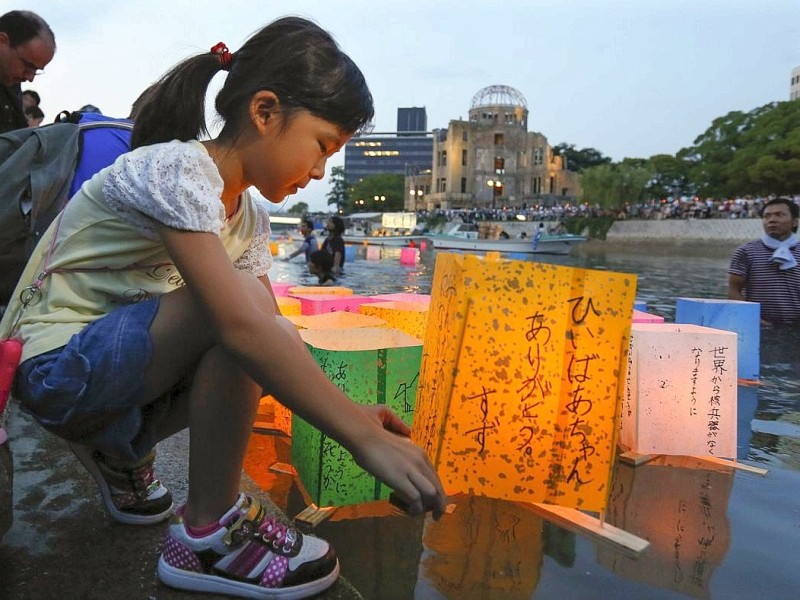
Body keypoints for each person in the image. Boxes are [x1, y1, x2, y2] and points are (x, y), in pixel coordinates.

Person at [0, 16, 445, 599]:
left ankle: (120, 451)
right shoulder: (175, 170)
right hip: (55, 367)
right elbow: (240, 324)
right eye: (321, 146)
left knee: (257, 332)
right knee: (236, 319)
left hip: (114, 369)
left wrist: (355, 412)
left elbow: (271, 332)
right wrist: (363, 443)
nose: (319, 172)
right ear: (264, 112)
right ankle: (207, 534)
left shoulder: (249, 216)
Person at [729, 197, 800, 325]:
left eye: (779, 215)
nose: (772, 220)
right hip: (758, 327)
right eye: (767, 216)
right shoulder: (746, 252)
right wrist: (752, 319)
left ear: (794, 221)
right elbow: (734, 290)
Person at [0, 10, 55, 133]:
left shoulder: (11, 83)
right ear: (2, 41)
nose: (30, 78)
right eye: (28, 66)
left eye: (36, 70)